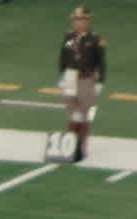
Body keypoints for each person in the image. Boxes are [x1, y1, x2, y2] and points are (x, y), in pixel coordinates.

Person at [59, 6, 106, 163]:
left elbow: (101, 62)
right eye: (76, 20)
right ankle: (70, 145)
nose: (78, 23)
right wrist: (62, 76)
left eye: (81, 20)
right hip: (70, 77)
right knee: (74, 113)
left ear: (87, 21)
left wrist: (100, 82)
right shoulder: (68, 37)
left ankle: (82, 145)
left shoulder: (94, 39)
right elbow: (63, 57)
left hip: (86, 79)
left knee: (86, 114)